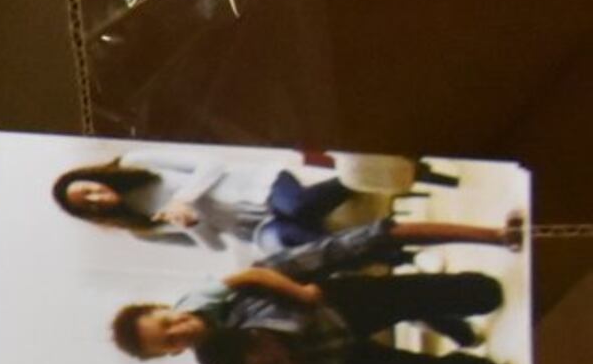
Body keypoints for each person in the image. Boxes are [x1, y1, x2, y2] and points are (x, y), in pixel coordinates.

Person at [111, 239, 529, 364]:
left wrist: (304, 294)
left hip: (337, 308)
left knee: (484, 291)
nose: (178, 332)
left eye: (168, 323)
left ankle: (442, 308)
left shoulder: (237, 290)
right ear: (173, 354)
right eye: (168, 343)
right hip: (335, 363)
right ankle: (462, 361)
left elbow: (319, 257)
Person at [50, 155, 518, 258]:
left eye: (89, 189)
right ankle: (387, 249)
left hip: (261, 186)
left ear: (97, 178)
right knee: (305, 248)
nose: (96, 198)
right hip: (258, 229)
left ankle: (377, 175)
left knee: (297, 210)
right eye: (88, 205)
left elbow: (210, 166)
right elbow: (212, 247)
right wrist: (191, 224)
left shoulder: (139, 164)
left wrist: (184, 198)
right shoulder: (141, 229)